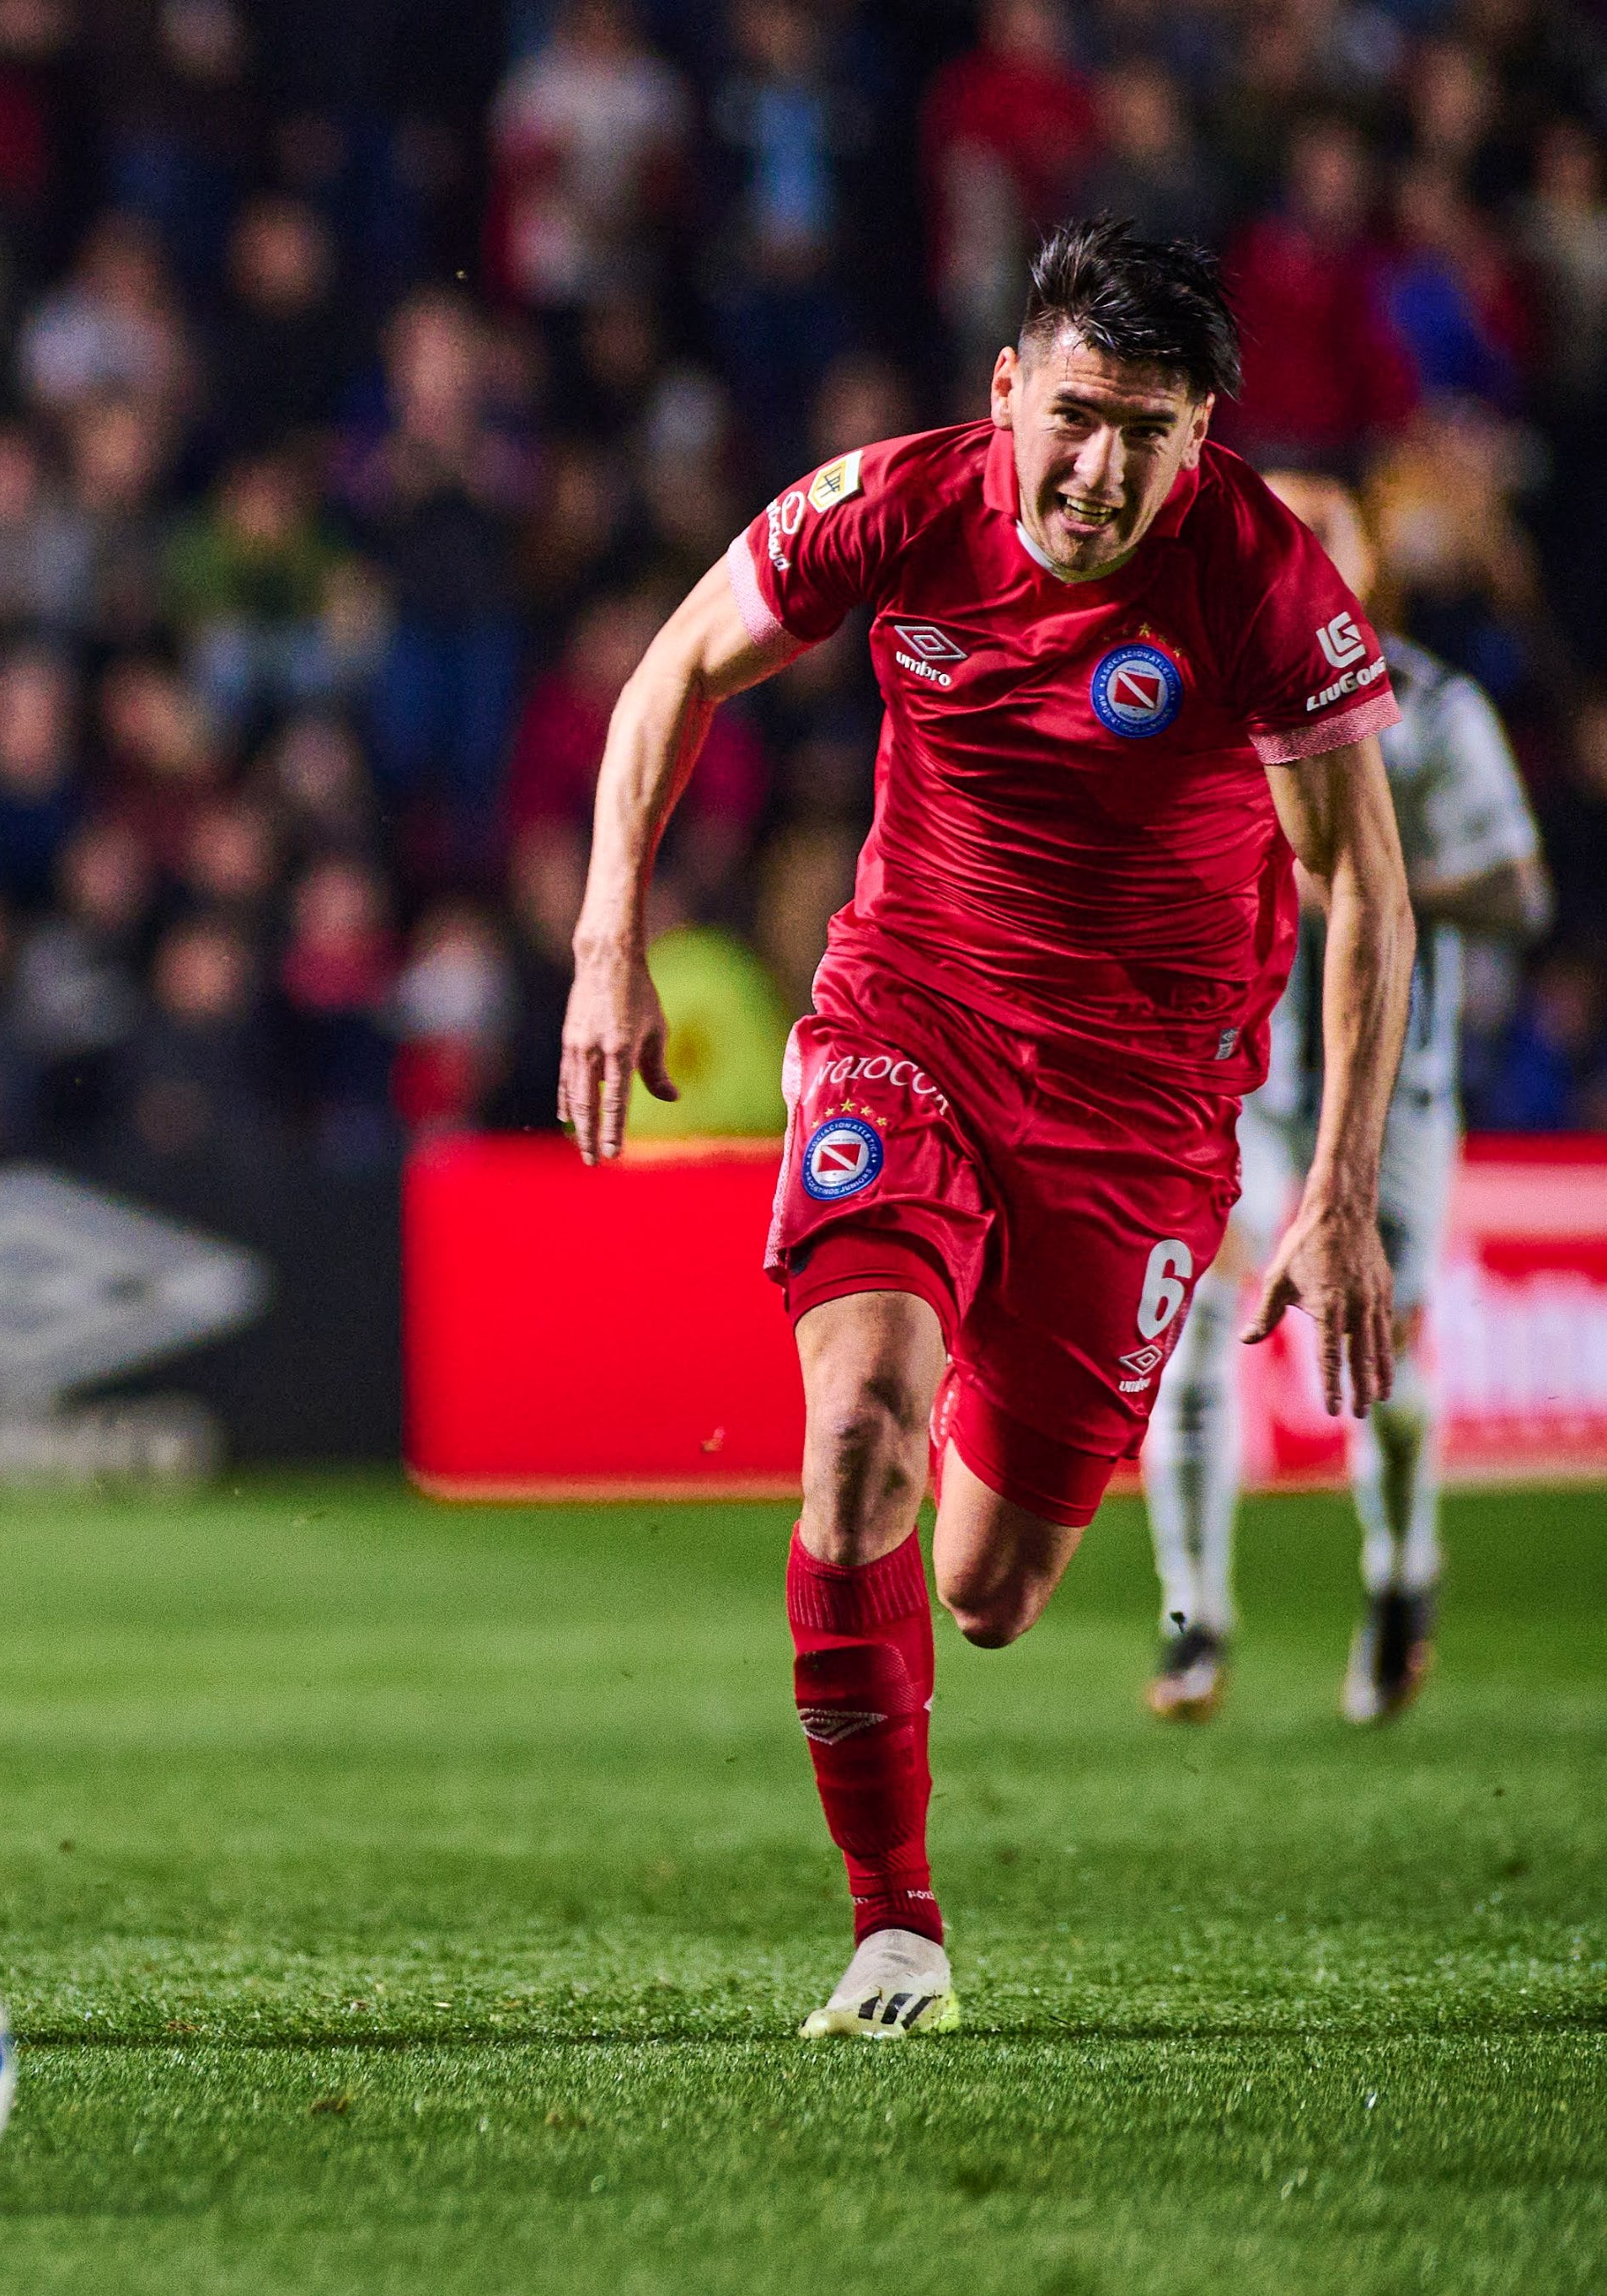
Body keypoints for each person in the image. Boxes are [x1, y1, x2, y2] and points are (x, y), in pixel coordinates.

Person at [558, 218, 1414, 2041]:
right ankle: (894, 1937)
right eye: (1082, 414)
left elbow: (1365, 892)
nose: (1104, 468)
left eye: (1154, 433)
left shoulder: (1259, 583)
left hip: (1137, 1111)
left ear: (1202, 443)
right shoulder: (894, 505)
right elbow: (670, 673)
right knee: (854, 1423)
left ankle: (959, 1341)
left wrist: (1336, 1186)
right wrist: (602, 939)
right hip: (908, 1020)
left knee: (990, 1590)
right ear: (1008, 387)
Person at [1143, 473, 1550, 1726]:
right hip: (1239, 1089)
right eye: (1285, 529)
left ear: (1366, 556)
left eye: (1327, 531)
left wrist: (1376, 873)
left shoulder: (1428, 710)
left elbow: (1523, 893)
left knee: (1370, 1351)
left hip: (1393, 1101)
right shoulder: (1192, 697)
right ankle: (1192, 1620)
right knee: (1191, 1336)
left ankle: (1401, 1576)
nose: (1301, 551)